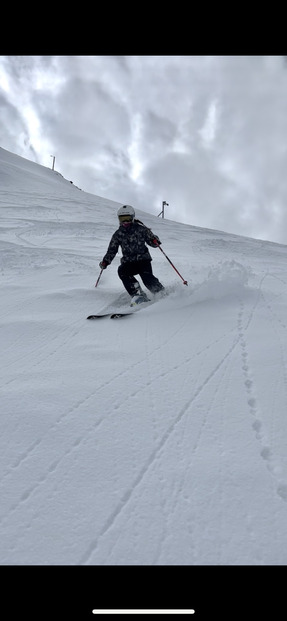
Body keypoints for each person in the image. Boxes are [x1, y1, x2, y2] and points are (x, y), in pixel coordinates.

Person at [99, 205, 165, 304]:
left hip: (143, 260)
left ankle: (161, 293)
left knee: (147, 278)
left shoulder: (141, 229)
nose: (125, 222)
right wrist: (105, 262)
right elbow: (112, 250)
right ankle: (138, 294)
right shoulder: (118, 234)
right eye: (122, 219)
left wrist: (155, 241)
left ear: (133, 217)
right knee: (122, 271)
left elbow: (153, 241)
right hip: (129, 262)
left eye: (128, 219)